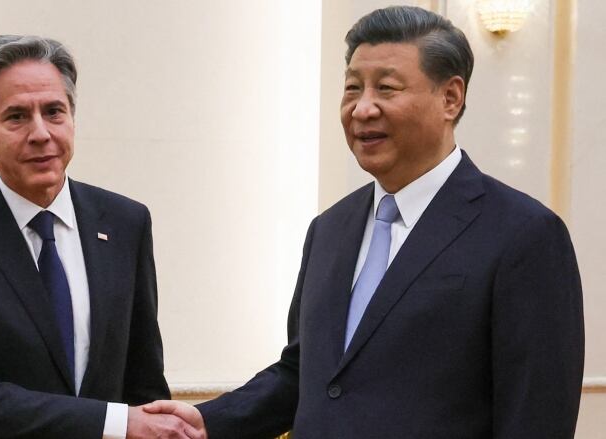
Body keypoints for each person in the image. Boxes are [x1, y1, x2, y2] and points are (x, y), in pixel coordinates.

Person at [144, 6, 585, 438]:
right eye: (352, 88)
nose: (362, 109)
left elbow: (535, 415)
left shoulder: (523, 234)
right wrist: (211, 420)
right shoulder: (329, 229)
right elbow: (307, 373)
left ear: (450, 98)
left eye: (387, 89)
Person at [0, 35, 202, 439]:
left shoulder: (125, 222)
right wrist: (117, 424)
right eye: (17, 117)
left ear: (72, 119)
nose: (40, 132)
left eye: (54, 111)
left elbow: (143, 378)